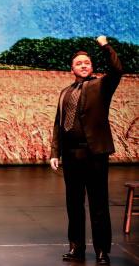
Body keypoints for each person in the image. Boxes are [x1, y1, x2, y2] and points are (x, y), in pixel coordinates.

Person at [50, 36, 123, 265]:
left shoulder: (101, 85)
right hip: (71, 156)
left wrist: (104, 45)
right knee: (74, 205)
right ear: (72, 68)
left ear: (92, 67)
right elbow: (58, 124)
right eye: (79, 63)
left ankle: (102, 251)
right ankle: (76, 248)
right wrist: (55, 152)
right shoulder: (65, 92)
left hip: (94, 154)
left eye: (87, 63)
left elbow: (117, 69)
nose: (83, 65)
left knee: (98, 205)